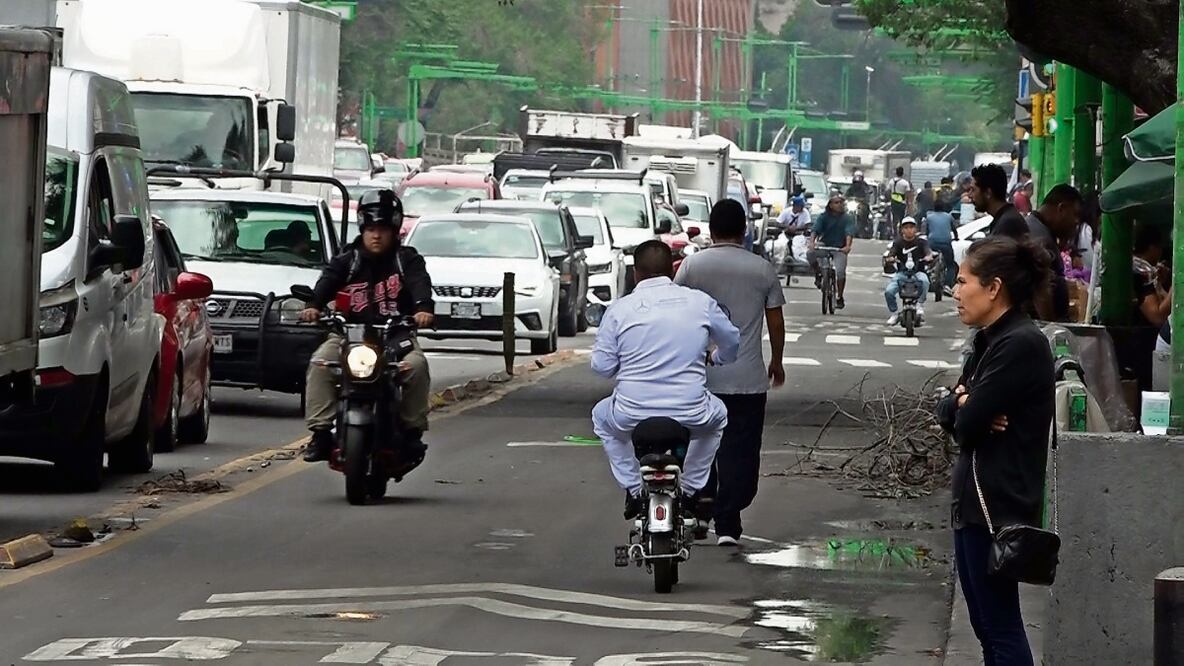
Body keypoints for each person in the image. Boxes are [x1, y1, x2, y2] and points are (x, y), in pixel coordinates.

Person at [937, 235, 1055, 666]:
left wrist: (966, 406)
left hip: (996, 507)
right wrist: (964, 401)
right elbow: (948, 406)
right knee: (986, 628)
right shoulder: (988, 340)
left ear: (994, 287)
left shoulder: (1020, 343)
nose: (955, 289)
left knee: (1000, 628)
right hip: (973, 504)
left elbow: (965, 427)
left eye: (963, 280)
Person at [591, 240, 741, 520]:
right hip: (691, 412)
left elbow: (602, 367)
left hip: (631, 413)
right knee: (718, 417)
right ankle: (692, 488)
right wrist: (717, 357)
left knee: (601, 418)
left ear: (635, 273)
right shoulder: (700, 303)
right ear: (672, 271)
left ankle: (634, 489)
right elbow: (732, 340)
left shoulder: (619, 310)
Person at [675, 199, 786, 546]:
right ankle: (728, 520)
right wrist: (777, 360)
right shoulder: (762, 269)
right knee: (741, 449)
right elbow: (776, 320)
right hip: (748, 381)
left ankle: (702, 508)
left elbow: (675, 313)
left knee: (699, 442)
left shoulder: (692, 267)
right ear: (744, 230)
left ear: (710, 229)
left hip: (701, 379)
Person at [299, 190, 436, 464]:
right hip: (347, 337)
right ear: (362, 229)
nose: (376, 236)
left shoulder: (407, 259)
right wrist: (313, 305)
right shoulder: (347, 260)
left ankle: (412, 432)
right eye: (371, 229)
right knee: (320, 364)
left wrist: (422, 309)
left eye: (383, 229)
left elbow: (420, 283)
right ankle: (321, 433)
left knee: (417, 366)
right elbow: (327, 282)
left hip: (396, 337)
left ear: (394, 229)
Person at [1025, 184, 1084, 322]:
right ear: (1061, 208)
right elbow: (1041, 291)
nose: (1076, 222)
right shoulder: (1040, 237)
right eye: (1075, 215)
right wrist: (1051, 327)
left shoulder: (1041, 231)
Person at [808, 194, 856, 310]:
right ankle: (818, 274)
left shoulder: (847, 218)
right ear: (830, 205)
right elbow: (815, 230)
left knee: (840, 272)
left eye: (841, 203)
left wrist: (847, 246)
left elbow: (849, 233)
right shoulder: (823, 217)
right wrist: (812, 243)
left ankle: (839, 296)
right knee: (810, 254)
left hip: (840, 248)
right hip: (824, 245)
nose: (839, 205)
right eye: (836, 202)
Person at [883, 216, 931, 325]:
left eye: (911, 227)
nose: (909, 230)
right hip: (902, 274)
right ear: (902, 230)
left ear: (915, 229)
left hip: (918, 272)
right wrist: (891, 258)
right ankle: (894, 313)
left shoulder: (921, 242)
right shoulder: (898, 242)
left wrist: (928, 256)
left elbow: (928, 252)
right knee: (889, 291)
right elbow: (891, 254)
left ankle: (919, 304)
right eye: (906, 227)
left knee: (925, 282)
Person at [970, 164, 1027, 237]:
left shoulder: (1007, 225)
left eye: (973, 190)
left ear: (988, 193)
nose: (970, 195)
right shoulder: (1005, 219)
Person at [926, 198, 958, 291]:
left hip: (932, 243)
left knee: (928, 260)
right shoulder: (948, 216)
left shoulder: (929, 217)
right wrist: (956, 237)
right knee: (950, 265)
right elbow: (954, 229)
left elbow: (927, 231)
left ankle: (929, 270)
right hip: (946, 243)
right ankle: (947, 285)